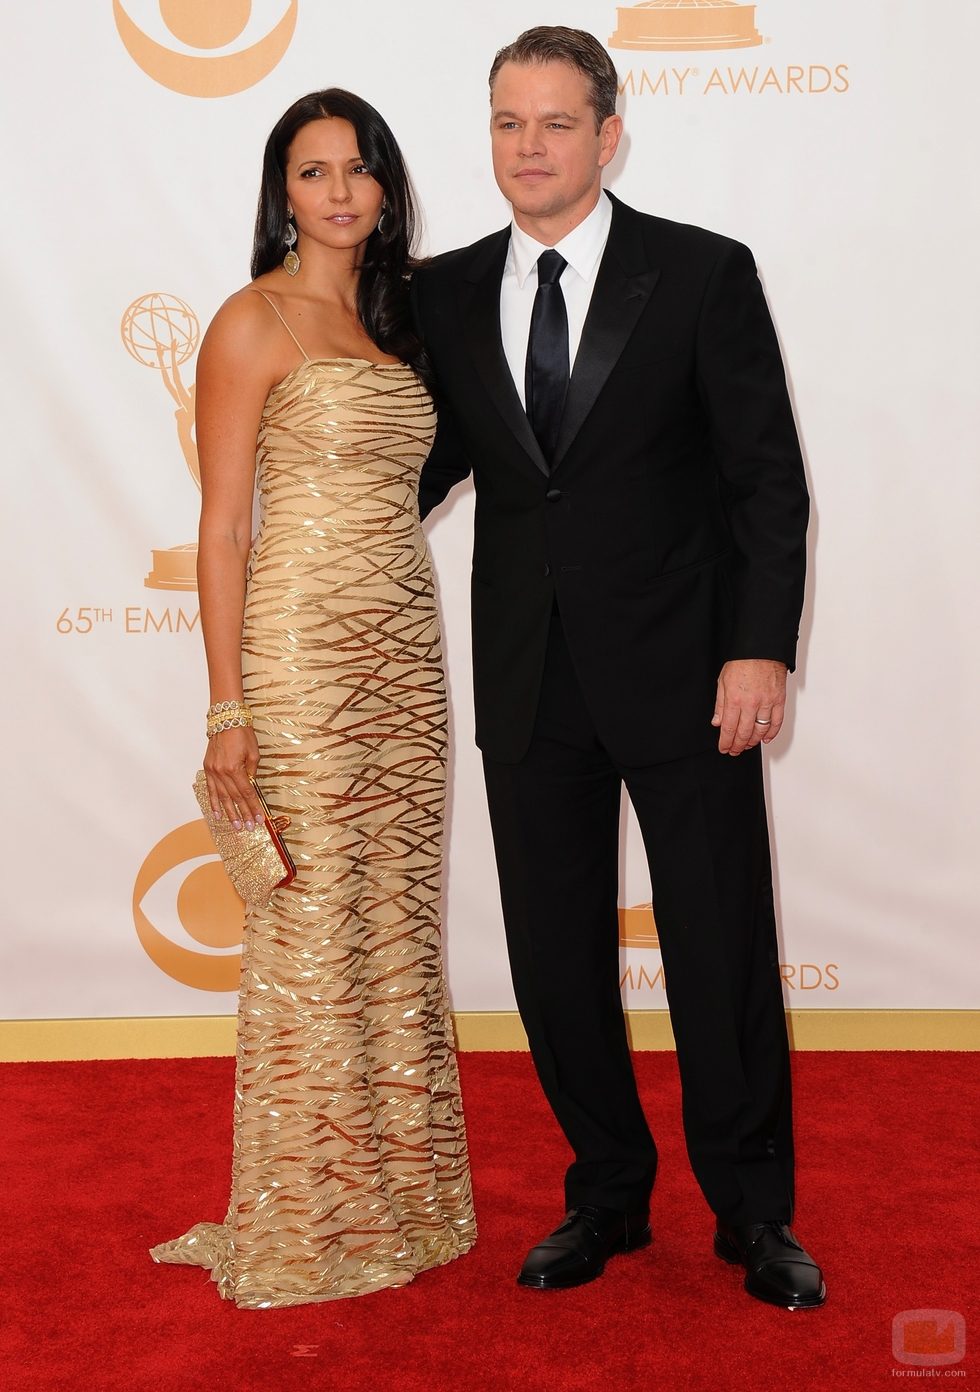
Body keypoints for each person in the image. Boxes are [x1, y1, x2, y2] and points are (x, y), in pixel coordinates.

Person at [412, 27, 824, 1309]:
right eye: (504, 124)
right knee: (551, 955)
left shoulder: (699, 274)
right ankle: (604, 1194)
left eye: (551, 124)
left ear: (607, 133)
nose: (525, 149)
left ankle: (753, 1214)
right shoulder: (440, 292)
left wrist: (758, 646)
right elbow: (408, 474)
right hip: (528, 677)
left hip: (689, 672)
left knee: (718, 948)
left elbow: (764, 475)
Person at [150, 89, 476, 1308]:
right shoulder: (251, 321)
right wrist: (228, 710)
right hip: (299, 660)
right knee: (309, 934)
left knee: (390, 928)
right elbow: (223, 528)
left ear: (385, 188)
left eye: (357, 170)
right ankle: (308, 1214)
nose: (336, 192)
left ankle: (402, 1198)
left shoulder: (405, 322)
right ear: (279, 192)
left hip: (403, 654)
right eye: (310, 171)